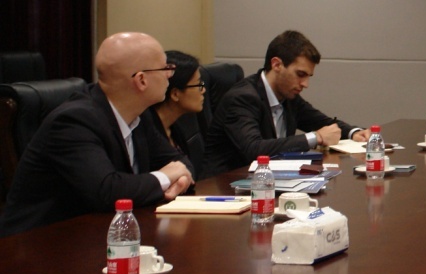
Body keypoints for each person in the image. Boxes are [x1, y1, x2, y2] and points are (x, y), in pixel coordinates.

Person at [0, 32, 193, 236]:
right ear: (141, 80)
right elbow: (107, 191)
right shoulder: (73, 122)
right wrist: (165, 177)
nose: (169, 74)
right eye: (165, 68)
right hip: (38, 243)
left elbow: (181, 163)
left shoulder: (140, 114)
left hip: (99, 235)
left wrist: (179, 178)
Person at [203, 30, 367, 176]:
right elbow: (254, 149)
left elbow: (322, 123)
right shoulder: (242, 98)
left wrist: (354, 132)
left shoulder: (288, 97)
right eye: (300, 74)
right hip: (226, 186)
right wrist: (316, 137)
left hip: (268, 180)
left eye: (308, 76)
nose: (305, 84)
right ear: (277, 65)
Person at [147, 50, 206, 181]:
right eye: (199, 85)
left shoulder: (176, 127)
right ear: (175, 94)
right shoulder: (146, 131)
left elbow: (188, 171)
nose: (203, 90)